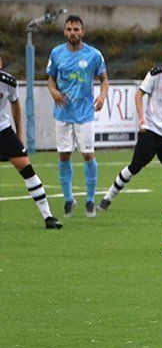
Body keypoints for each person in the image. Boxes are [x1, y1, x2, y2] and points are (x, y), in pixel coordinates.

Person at [99, 43, 162, 211]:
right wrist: (141, 118)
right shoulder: (157, 74)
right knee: (135, 166)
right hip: (152, 129)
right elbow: (139, 94)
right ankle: (108, 197)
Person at [46, 14, 108, 218]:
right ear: (65, 32)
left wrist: (102, 95)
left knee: (88, 154)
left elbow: (104, 79)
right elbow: (51, 80)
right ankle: (68, 199)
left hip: (85, 113)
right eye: (69, 29)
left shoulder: (94, 55)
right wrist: (53, 92)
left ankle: (90, 200)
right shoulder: (56, 54)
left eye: (76, 29)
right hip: (62, 112)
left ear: (83, 31)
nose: (73, 33)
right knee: (64, 155)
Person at [0, 56, 62, 229]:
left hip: (3, 131)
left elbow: (15, 103)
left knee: (27, 169)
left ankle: (48, 216)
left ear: (1, 63)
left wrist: (19, 133)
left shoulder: (8, 82)